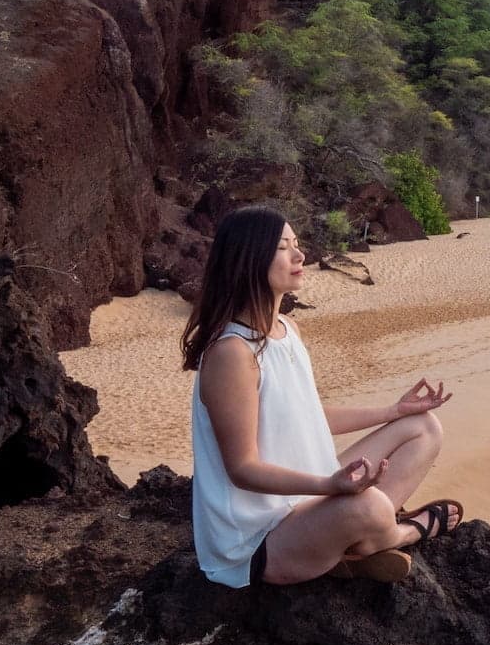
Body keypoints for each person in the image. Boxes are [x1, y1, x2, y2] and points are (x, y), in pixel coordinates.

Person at [182, 205, 462, 587]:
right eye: (284, 247)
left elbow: (308, 416)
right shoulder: (232, 353)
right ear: (248, 259)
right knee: (372, 505)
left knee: (422, 427)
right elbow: (242, 469)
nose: (300, 256)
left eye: (297, 245)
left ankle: (353, 539)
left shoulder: (287, 329)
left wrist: (395, 410)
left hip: (304, 502)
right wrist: (332, 487)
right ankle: (402, 534)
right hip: (258, 542)